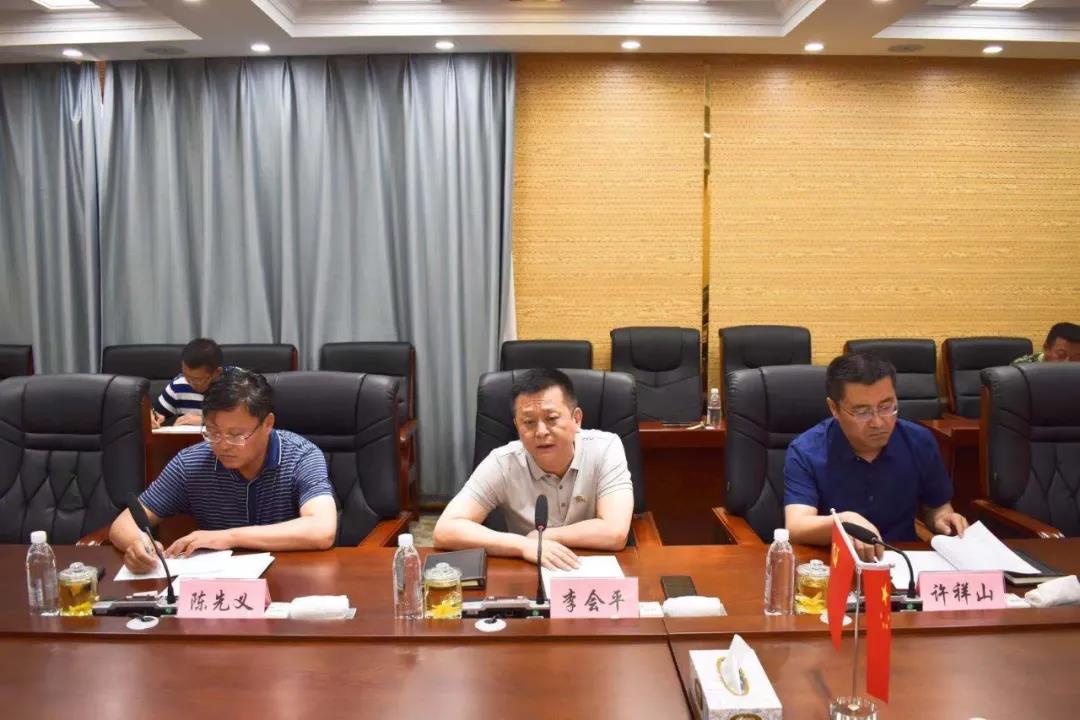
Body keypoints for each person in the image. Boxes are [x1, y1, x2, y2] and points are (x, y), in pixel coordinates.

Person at [110, 368, 337, 572]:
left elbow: (321, 529)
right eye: (213, 432)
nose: (223, 445)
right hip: (218, 585)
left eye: (236, 435)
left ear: (268, 424)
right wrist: (138, 544)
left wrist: (229, 537)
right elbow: (123, 524)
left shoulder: (301, 456)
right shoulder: (191, 463)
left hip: (288, 577)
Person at [433, 369, 634, 570]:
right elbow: (445, 530)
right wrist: (523, 545)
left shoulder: (605, 448)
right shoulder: (503, 462)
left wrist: (544, 536)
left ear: (576, 419)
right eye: (528, 422)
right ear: (517, 426)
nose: (541, 432)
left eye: (551, 418)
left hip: (593, 567)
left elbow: (615, 532)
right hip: (527, 569)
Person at [784, 352, 968, 561]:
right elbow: (796, 526)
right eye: (862, 412)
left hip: (903, 561)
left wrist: (943, 519)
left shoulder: (919, 441)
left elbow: (937, 507)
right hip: (834, 562)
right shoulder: (806, 450)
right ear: (834, 408)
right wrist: (843, 522)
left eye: (886, 407)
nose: (878, 422)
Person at [150, 338, 227, 429]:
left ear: (217, 372)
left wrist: (205, 421)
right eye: (186, 376)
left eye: (197, 379)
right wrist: (153, 417)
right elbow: (156, 413)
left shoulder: (233, 389)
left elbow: (241, 422)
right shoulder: (178, 386)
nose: (190, 383)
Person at [1012, 322, 1080, 365]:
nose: (1067, 363)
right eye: (1061, 355)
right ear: (1046, 348)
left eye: (1076, 358)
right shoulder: (1022, 368)